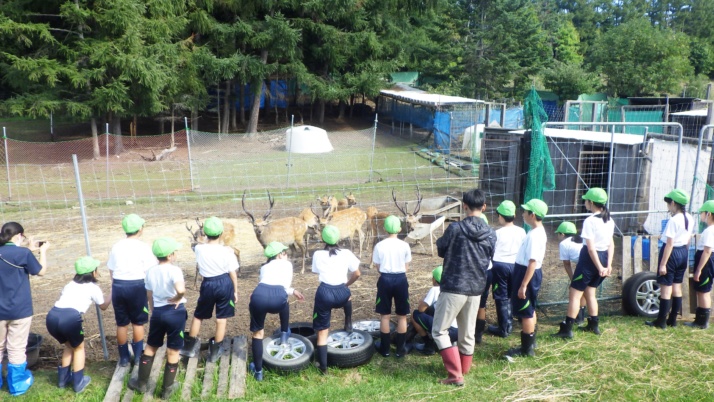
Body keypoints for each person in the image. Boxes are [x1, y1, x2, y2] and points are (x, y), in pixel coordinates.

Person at [432, 189, 495, 386]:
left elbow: (441, 250)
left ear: (464, 206)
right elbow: (490, 256)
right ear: (484, 207)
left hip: (453, 286)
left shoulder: (455, 229)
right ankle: (463, 369)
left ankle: (455, 375)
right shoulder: (491, 233)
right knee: (467, 332)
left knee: (439, 331)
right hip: (476, 288)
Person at [129, 237, 186, 399]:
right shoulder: (175, 270)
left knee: (151, 346)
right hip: (175, 313)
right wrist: (178, 297)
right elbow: (181, 289)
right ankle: (167, 389)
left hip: (158, 313)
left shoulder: (151, 271)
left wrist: (153, 309)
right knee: (173, 350)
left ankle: (141, 383)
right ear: (170, 256)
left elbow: (149, 294)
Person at [553, 188, 614, 339]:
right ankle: (594, 325)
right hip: (605, 257)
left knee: (574, 295)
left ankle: (567, 329)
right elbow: (611, 244)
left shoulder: (590, 221)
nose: (585, 202)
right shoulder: (609, 220)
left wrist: (599, 266)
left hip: (589, 259)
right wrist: (608, 265)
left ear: (591, 202)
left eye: (586, 200)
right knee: (590, 292)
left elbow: (591, 248)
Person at [46, 256, 111, 393]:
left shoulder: (69, 285)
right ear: (93, 272)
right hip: (69, 319)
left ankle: (63, 381)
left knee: (69, 345)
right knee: (79, 348)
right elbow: (103, 306)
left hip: (52, 317)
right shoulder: (93, 288)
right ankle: (78, 383)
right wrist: (111, 294)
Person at [0, 221, 49, 396]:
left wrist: (28, 249)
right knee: (16, 348)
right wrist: (42, 252)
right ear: (19, 236)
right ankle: (17, 385)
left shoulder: (19, 252)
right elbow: (41, 271)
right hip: (20, 310)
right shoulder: (23, 253)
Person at [181, 217, 239, 362]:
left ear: (205, 233)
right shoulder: (227, 252)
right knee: (221, 318)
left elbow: (199, 244)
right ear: (221, 233)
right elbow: (233, 273)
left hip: (207, 284)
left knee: (199, 315)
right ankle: (214, 351)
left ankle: (189, 346)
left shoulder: (199, 249)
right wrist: (235, 291)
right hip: (225, 283)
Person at [248, 242, 305, 381]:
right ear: (279, 255)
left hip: (258, 296)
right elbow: (284, 287)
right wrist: (293, 291)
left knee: (258, 334)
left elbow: (266, 283)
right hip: (278, 297)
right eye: (285, 253)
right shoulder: (287, 265)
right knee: (284, 302)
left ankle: (258, 372)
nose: (286, 255)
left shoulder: (263, 267)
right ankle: (284, 333)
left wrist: (292, 291)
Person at [107, 214, 157, 367]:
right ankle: (137, 356)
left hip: (119, 286)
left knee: (122, 324)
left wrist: (116, 283)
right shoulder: (143, 247)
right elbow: (150, 269)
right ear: (140, 229)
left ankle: (123, 358)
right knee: (138, 322)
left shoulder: (116, 246)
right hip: (137, 286)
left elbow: (111, 269)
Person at [312, 225, 361, 375]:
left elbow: (316, 271)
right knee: (349, 295)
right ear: (339, 238)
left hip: (325, 293)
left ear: (323, 239)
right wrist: (346, 286)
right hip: (342, 293)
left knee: (322, 332)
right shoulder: (346, 253)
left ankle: (323, 368)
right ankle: (348, 321)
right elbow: (357, 273)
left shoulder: (318, 254)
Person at [505, 199, 548, 358]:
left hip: (527, 273)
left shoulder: (536, 235)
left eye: (525, 211)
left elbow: (532, 262)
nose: (522, 214)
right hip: (524, 271)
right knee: (529, 308)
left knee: (526, 311)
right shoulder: (534, 232)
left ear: (533, 215)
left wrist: (523, 285)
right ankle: (531, 341)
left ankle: (526, 349)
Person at [646, 189, 694, 329]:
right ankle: (672, 320)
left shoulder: (673, 220)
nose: (668, 206)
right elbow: (688, 238)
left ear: (673, 203)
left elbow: (669, 243)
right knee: (677, 287)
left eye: (668, 203)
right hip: (683, 252)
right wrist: (685, 253)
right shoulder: (689, 218)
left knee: (666, 289)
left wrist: (663, 264)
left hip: (671, 253)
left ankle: (661, 322)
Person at [483, 201, 526, 340]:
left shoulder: (497, 233)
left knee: (501, 296)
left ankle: (504, 328)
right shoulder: (521, 231)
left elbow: (491, 250)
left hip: (499, 266)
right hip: (516, 265)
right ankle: (514, 320)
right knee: (513, 293)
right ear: (514, 215)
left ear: (500, 216)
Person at [372, 215, 412, 358]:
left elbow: (377, 266)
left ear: (384, 229)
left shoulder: (379, 245)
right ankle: (400, 349)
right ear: (400, 229)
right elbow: (406, 266)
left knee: (385, 316)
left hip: (385, 279)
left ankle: (385, 349)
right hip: (401, 279)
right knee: (402, 316)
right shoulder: (405, 245)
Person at [410, 266, 458, 355]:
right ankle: (452, 343)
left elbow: (421, 309)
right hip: (459, 331)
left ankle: (429, 345)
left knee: (415, 315)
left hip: (447, 331)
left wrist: (422, 302)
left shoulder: (435, 289)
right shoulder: (454, 288)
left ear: (435, 280)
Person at [687, 200, 714, 329]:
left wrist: (699, 269)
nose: (701, 215)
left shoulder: (710, 231)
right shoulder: (709, 230)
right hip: (706, 262)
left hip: (706, 263)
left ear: (709, 214)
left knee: (703, 291)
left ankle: (702, 322)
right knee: (701, 290)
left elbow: (707, 251)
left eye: (702, 213)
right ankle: (699, 320)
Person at [556, 221, 587, 324]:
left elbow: (567, 264)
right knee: (585, 291)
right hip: (591, 266)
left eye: (558, 234)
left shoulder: (564, 244)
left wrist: (573, 279)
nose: (558, 236)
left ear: (562, 234)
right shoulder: (581, 239)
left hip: (583, 266)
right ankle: (581, 317)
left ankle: (574, 319)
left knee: (575, 292)